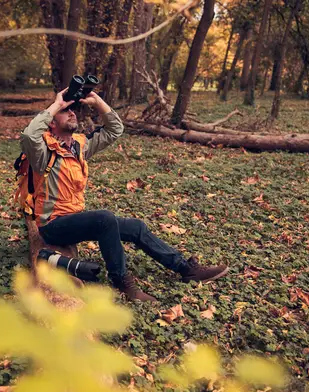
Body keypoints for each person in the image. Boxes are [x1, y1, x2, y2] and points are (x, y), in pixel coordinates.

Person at [19, 88, 229, 302]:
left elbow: (114, 129)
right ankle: (122, 282)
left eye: (73, 110)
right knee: (105, 219)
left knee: (136, 227)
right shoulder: (43, 152)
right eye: (65, 112)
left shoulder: (79, 146)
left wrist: (98, 101)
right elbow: (28, 134)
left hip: (74, 219)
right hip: (53, 226)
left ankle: (186, 269)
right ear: (52, 123)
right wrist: (56, 104)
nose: (72, 113)